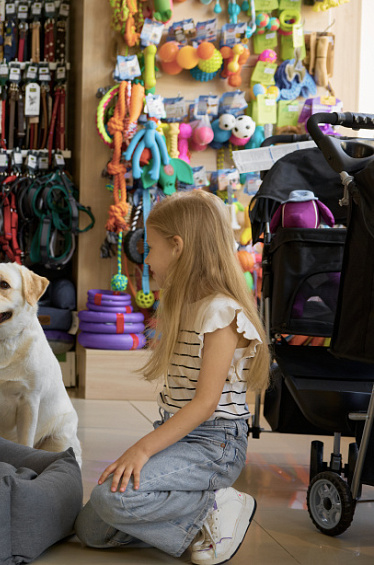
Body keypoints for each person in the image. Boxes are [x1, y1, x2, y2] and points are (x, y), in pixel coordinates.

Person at [74, 190, 270, 565]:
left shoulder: (221, 313)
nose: (146, 259)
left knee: (109, 499)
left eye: (150, 249)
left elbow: (205, 404)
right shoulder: (181, 306)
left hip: (214, 446)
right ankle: (195, 518)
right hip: (179, 436)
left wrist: (143, 448)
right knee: (92, 531)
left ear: (177, 246)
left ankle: (221, 501)